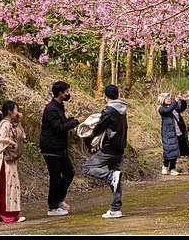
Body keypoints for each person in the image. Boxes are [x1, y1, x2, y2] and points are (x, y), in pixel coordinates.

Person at [82, 84, 128, 219]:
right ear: (118, 96)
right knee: (116, 178)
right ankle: (115, 209)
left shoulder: (108, 110)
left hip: (109, 148)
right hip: (120, 149)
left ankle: (109, 176)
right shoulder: (123, 109)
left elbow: (98, 129)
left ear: (105, 96)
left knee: (87, 167)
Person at [40, 81, 84, 216]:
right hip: (50, 148)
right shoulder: (51, 109)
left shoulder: (59, 105)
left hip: (60, 148)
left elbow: (62, 122)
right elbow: (59, 128)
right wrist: (76, 122)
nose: (68, 94)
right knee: (55, 178)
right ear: (60, 93)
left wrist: (72, 118)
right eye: (66, 92)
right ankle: (52, 207)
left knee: (69, 173)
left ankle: (59, 199)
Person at [158, 92, 189, 175]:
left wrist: (183, 100)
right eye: (167, 98)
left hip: (177, 132)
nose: (169, 99)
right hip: (168, 133)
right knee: (168, 150)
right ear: (162, 100)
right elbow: (168, 111)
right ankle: (165, 166)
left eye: (170, 98)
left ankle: (172, 168)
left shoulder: (174, 107)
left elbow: (183, 108)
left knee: (176, 150)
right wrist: (175, 101)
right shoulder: (162, 109)